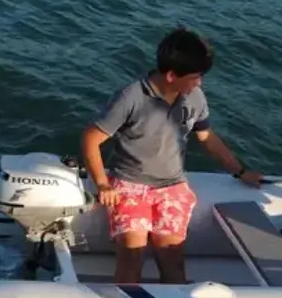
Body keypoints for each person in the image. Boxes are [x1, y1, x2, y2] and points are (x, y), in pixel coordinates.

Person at [80, 27, 264, 284]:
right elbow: (91, 138)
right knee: (132, 256)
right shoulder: (131, 97)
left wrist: (240, 171)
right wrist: (102, 184)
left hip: (172, 187)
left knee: (172, 258)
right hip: (130, 185)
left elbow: (207, 138)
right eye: (194, 77)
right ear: (171, 76)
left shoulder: (195, 97)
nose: (199, 83)